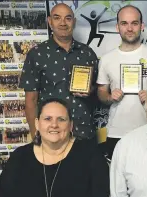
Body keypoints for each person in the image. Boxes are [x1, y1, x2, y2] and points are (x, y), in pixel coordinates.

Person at [97, 5, 147, 159]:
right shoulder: (107, 59)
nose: (129, 28)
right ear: (117, 27)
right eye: (124, 23)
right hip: (116, 132)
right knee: (117, 181)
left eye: (134, 23)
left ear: (142, 26)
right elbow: (101, 92)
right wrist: (110, 97)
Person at [20, 3, 99, 141]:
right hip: (51, 134)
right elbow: (31, 100)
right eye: (57, 18)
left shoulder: (87, 53)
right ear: (50, 22)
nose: (63, 23)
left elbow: (97, 90)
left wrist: (89, 91)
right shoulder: (37, 54)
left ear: (74, 22)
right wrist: (35, 136)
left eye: (68, 18)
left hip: (84, 132)